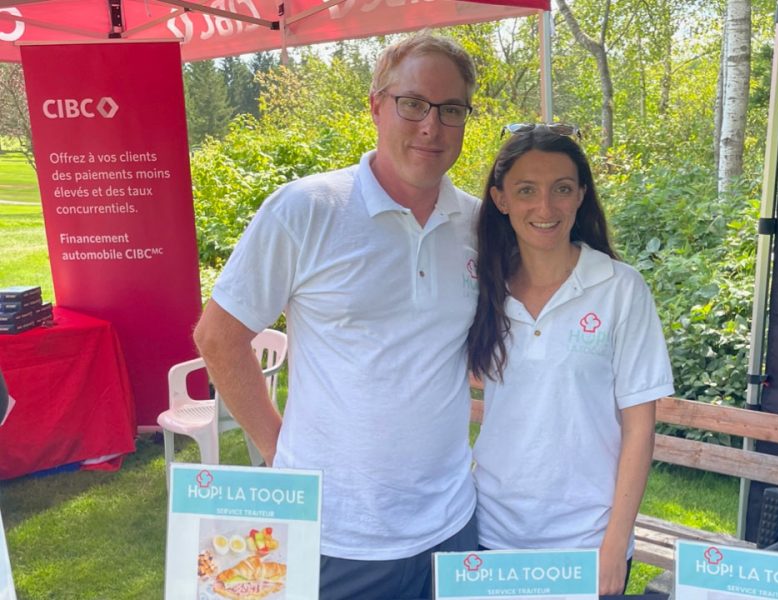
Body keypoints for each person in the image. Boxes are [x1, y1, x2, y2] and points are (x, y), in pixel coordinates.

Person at [193, 32, 481, 600]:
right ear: (376, 106)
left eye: (451, 109)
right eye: (413, 103)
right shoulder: (306, 208)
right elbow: (219, 337)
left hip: (452, 524)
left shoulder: (477, 225)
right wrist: (277, 449)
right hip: (333, 532)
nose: (431, 126)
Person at [467, 124, 674, 595]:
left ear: (581, 195)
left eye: (561, 189)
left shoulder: (621, 288)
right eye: (526, 190)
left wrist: (614, 544)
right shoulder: (482, 287)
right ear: (500, 199)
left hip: (587, 541)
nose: (545, 208)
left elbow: (640, 428)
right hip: (490, 533)